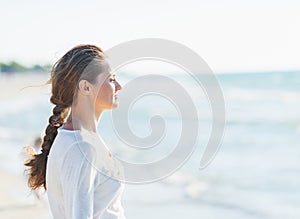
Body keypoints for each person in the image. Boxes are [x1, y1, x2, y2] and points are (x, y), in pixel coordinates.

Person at [24, 44, 126, 218]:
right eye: (111, 79)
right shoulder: (81, 148)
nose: (119, 86)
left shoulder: (81, 140)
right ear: (85, 87)